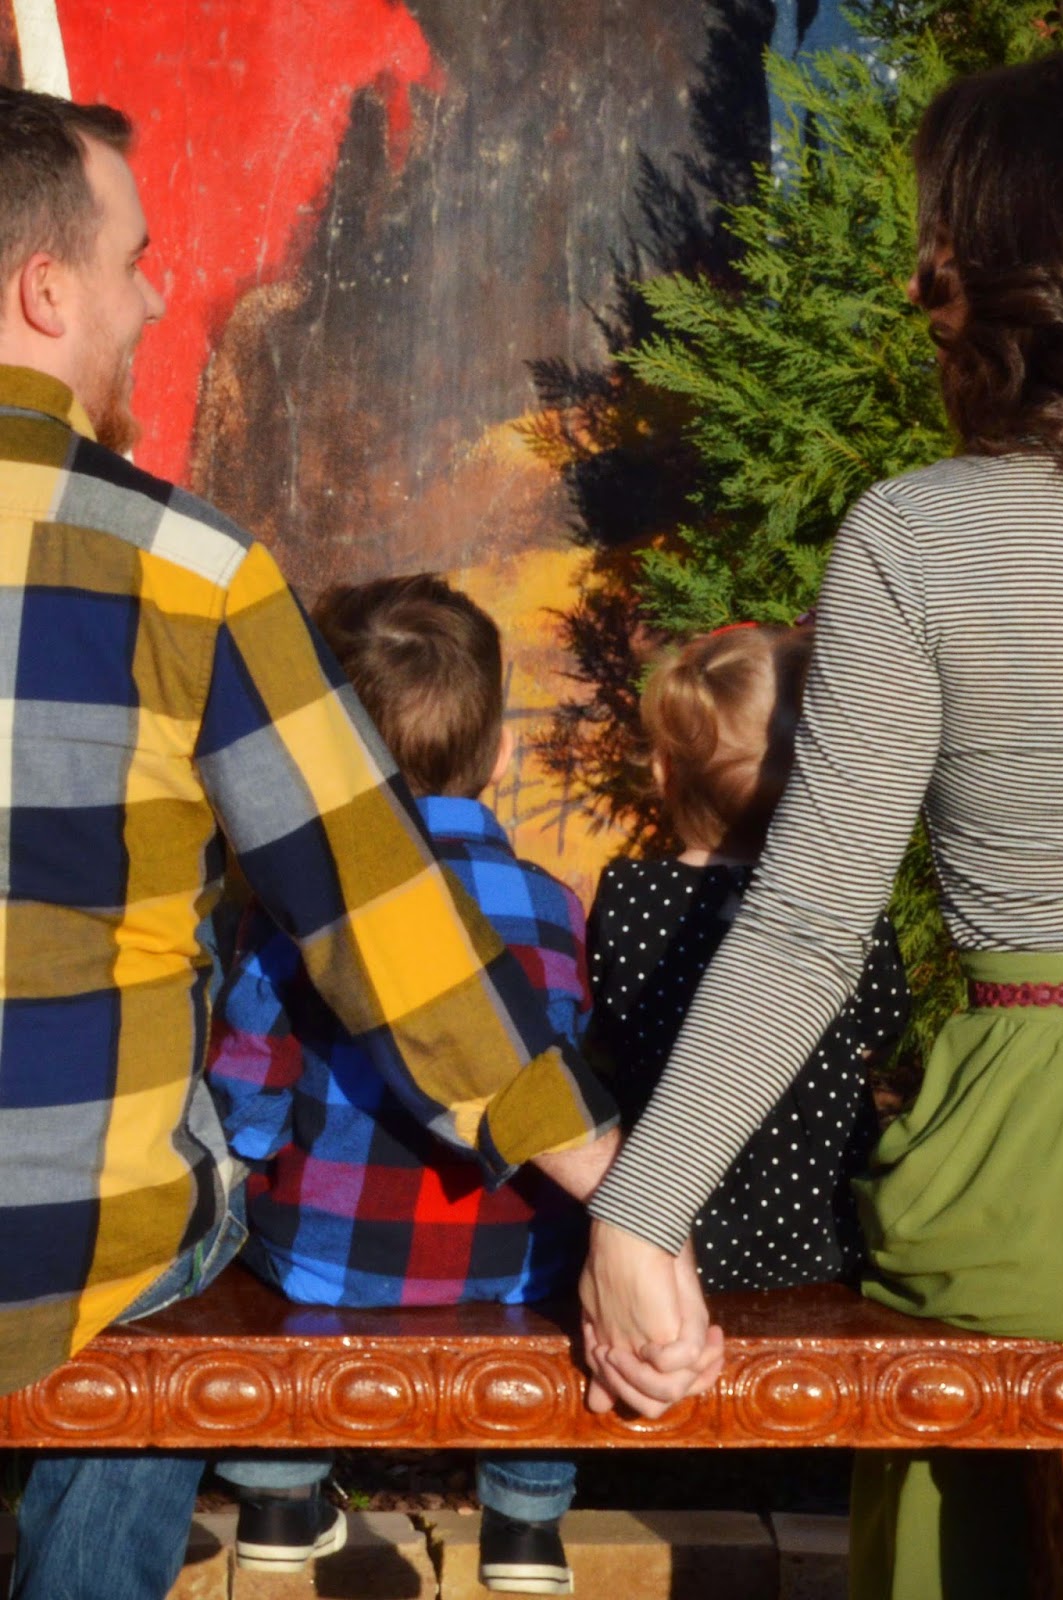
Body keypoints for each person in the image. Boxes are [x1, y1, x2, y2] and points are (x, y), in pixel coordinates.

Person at [0, 86, 618, 1600]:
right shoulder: (191, 570)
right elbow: (374, 910)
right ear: (46, 290)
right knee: (160, 1231)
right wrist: (603, 1173)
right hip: (73, 1243)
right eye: (138, 262)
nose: (158, 301)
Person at [577, 42, 1063, 1600]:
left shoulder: (915, 535)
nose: (915, 283)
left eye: (941, 240)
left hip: (1028, 1205)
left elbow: (808, 924)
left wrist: (639, 1211)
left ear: (1017, 272)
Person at [209, 573, 594, 1593]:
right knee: (555, 1282)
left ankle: (279, 1494)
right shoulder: (552, 905)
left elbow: (249, 1082)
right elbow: (571, 1076)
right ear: (501, 753)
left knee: (257, 1237)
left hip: (326, 1260)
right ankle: (526, 1526)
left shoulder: (295, 901)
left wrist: (245, 1162)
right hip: (513, 1260)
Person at [588, 621, 908, 1290]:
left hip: (672, 1236)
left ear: (663, 772)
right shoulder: (842, 902)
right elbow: (881, 1023)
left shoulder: (630, 895)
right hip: (823, 1232)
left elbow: (609, 1031)